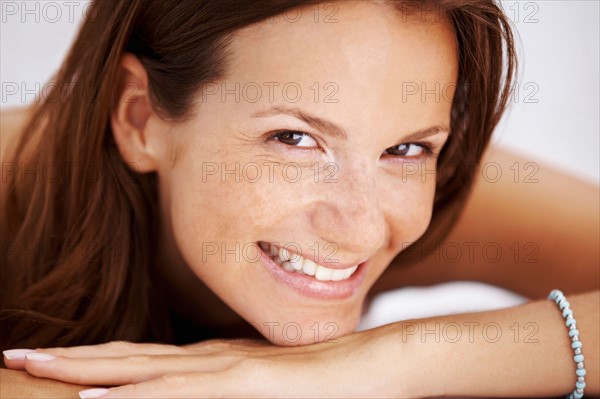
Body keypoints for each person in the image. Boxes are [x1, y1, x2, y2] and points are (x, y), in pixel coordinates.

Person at [0, 0, 598, 397]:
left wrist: (388, 361)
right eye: (294, 139)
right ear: (139, 118)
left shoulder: (442, 188)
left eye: (409, 149)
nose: (360, 229)